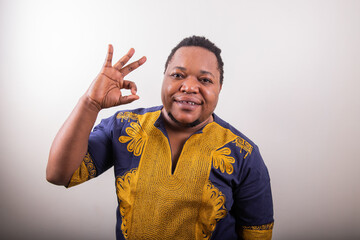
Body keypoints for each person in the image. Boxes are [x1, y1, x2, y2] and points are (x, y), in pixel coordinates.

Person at [47, 36, 274, 240]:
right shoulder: (124, 127)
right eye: (178, 75)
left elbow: (257, 234)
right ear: (163, 78)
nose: (189, 87)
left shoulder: (244, 154)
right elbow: (59, 174)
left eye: (205, 80)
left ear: (220, 88)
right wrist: (91, 103)